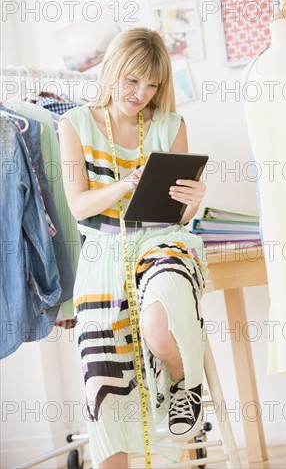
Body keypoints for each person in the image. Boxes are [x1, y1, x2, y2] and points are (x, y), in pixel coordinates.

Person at [59, 27, 208, 468]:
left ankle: (186, 384)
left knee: (160, 324)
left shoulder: (170, 125)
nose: (141, 93)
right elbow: (78, 205)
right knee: (104, 383)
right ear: (113, 71)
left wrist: (193, 204)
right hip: (102, 250)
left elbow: (177, 215)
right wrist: (125, 183)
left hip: (160, 240)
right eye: (132, 81)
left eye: (152, 85)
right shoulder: (74, 124)